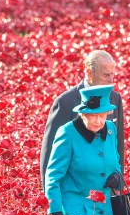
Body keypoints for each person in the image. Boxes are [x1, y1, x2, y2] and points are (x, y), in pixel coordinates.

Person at [44, 85, 124, 215]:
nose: (99, 121)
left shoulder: (110, 130)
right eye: (94, 116)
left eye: (103, 116)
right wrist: (55, 211)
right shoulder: (67, 134)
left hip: (104, 214)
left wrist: (116, 177)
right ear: (83, 114)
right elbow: (53, 176)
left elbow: (116, 162)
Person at [40, 50, 124, 187]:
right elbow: (50, 151)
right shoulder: (65, 102)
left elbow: (118, 145)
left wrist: (119, 179)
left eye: (113, 74)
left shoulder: (115, 98)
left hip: (106, 190)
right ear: (90, 73)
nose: (111, 80)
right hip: (75, 191)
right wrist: (51, 199)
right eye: (106, 75)